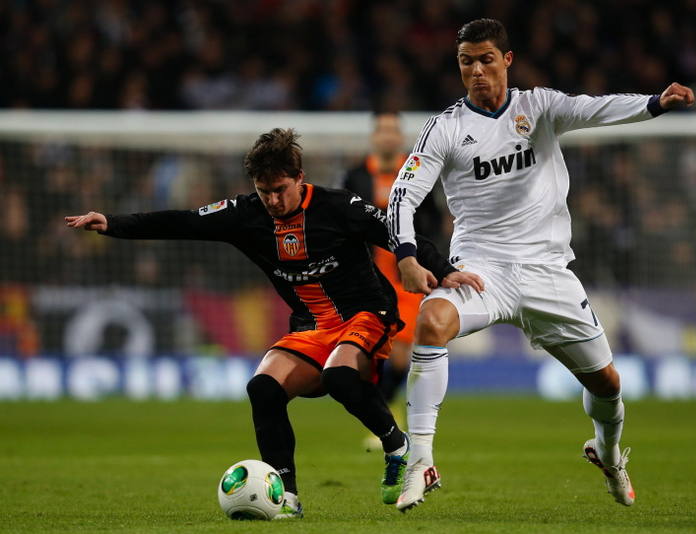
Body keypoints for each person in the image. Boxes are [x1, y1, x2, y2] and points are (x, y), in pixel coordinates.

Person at [65, 128, 482, 519]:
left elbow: (395, 232)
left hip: (367, 313)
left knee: (340, 374)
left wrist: (443, 269)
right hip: (312, 325)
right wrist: (114, 224)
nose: (273, 201)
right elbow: (183, 220)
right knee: (262, 388)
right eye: (264, 193)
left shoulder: (337, 206)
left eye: (280, 190)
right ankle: (287, 496)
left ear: (299, 178)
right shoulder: (245, 214)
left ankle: (396, 445)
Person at [386, 18, 695, 512]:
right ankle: (421, 461)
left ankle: (608, 452)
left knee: (608, 384)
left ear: (507, 60)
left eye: (486, 59)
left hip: (548, 272)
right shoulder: (445, 127)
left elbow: (593, 110)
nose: (477, 71)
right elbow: (401, 196)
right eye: (467, 61)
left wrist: (654, 103)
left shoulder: (540, 107)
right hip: (482, 271)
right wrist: (405, 255)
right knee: (431, 320)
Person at [341, 112, 444, 441]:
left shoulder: (416, 171)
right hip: (368, 275)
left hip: (406, 274)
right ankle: (381, 413)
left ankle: (384, 410)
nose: (387, 137)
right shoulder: (356, 176)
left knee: (401, 355)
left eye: (392, 131)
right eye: (382, 131)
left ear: (399, 137)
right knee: (365, 353)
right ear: (375, 137)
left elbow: (434, 219)